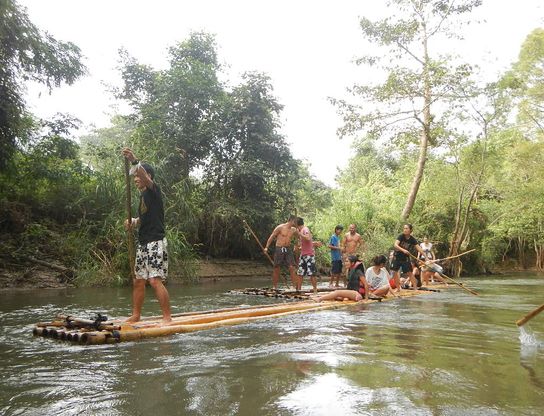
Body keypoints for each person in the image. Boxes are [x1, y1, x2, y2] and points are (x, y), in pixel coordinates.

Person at [122, 148, 172, 323]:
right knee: (138, 281)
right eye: (134, 177)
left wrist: (135, 161)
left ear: (147, 176)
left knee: (154, 281)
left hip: (155, 242)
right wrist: (133, 223)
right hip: (143, 243)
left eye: (138, 176)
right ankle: (136, 315)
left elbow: (143, 175)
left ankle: (167, 318)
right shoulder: (143, 197)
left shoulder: (153, 191)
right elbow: (145, 219)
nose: (136, 179)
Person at [264, 215, 299, 290]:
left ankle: (293, 286)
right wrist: (266, 247)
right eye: (295, 221)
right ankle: (275, 287)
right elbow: (272, 236)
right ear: (291, 220)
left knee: (292, 267)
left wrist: (296, 246)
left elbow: (299, 237)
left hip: (288, 249)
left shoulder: (294, 229)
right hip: (279, 248)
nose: (296, 223)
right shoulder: (280, 227)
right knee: (277, 267)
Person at [390, 224, 426, 292]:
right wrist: (403, 250)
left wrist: (426, 257)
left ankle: (415, 288)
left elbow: (419, 248)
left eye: (406, 228)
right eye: (404, 228)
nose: (405, 230)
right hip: (396, 257)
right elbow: (395, 245)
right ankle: (398, 288)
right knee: (394, 272)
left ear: (410, 230)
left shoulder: (412, 239)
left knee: (409, 272)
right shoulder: (401, 236)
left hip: (405, 258)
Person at [295, 217, 319, 293]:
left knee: (311, 273)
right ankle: (299, 289)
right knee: (300, 273)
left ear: (297, 224)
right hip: (303, 255)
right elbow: (305, 243)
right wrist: (299, 247)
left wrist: (300, 234)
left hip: (309, 255)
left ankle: (315, 290)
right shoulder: (300, 231)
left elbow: (308, 238)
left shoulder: (305, 230)